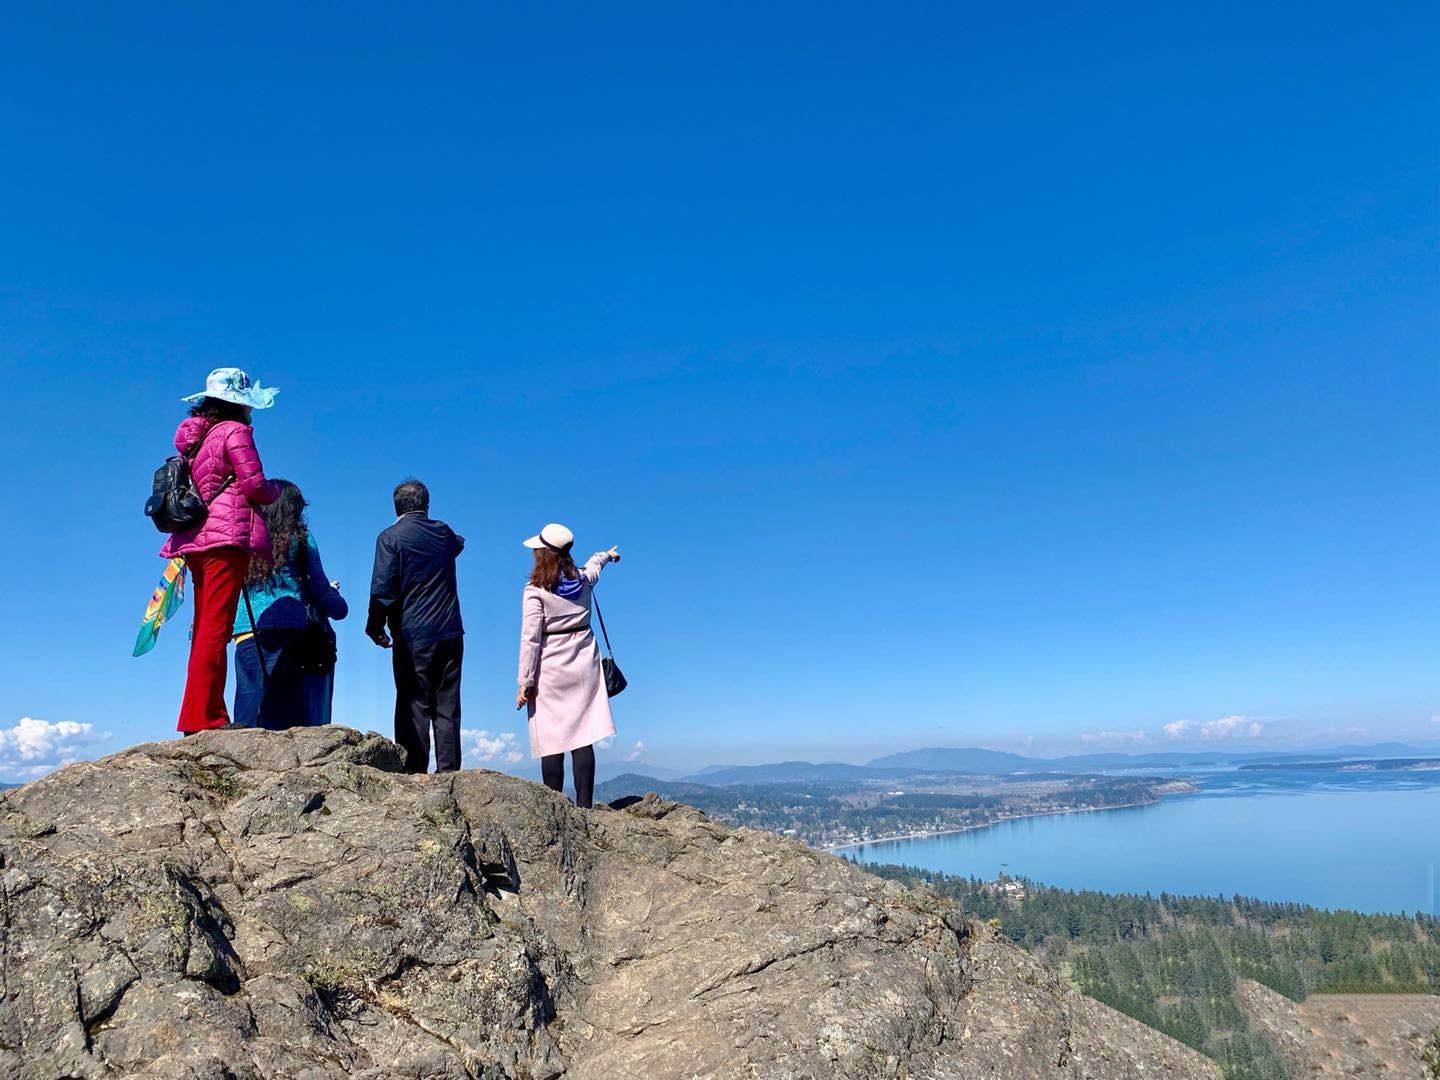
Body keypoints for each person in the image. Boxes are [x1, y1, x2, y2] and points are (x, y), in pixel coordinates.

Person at [160, 368, 282, 734]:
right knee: (217, 628)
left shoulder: (195, 439)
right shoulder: (236, 431)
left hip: (195, 539)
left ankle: (197, 714)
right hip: (226, 537)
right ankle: (206, 717)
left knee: (204, 628)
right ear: (240, 404)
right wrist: (278, 492)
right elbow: (255, 485)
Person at [515, 523, 621, 809]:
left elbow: (530, 639)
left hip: (551, 667)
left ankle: (555, 807)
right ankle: (585, 806)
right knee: (582, 736)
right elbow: (594, 565)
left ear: (543, 554)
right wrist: (608, 555)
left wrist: (525, 682)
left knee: (552, 738)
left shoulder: (535, 590)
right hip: (584, 661)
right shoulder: (583, 580)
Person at [367, 479, 466, 773]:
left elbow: (382, 590)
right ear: (426, 504)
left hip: (412, 635)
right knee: (447, 705)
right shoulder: (444, 533)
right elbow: (459, 543)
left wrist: (374, 627)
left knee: (414, 704)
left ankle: (414, 772)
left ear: (396, 506)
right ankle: (449, 773)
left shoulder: (390, 538)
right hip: (450, 630)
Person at [232, 481, 348, 729]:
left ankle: (240, 761)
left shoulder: (244, 534)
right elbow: (319, 585)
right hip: (290, 630)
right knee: (285, 710)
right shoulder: (300, 536)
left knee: (249, 702)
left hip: (246, 628)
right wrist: (339, 606)